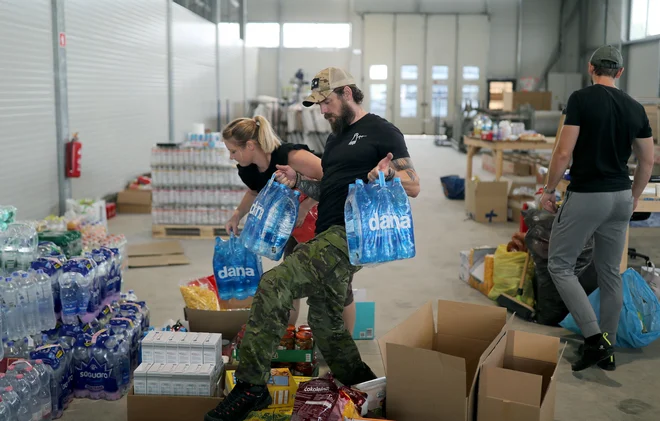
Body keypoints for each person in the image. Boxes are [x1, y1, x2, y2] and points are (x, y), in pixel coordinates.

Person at [205, 67, 420, 421]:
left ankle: (251, 388)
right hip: (326, 231)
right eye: (319, 105)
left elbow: (413, 184)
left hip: (350, 235)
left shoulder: (382, 131)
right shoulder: (335, 141)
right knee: (325, 319)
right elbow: (328, 191)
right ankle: (368, 386)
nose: (323, 111)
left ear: (348, 93)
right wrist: (299, 182)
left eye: (327, 102)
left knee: (275, 283)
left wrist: (388, 173)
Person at [541, 45, 655, 372]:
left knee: (560, 266)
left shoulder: (580, 99)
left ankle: (594, 340)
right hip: (620, 195)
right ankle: (610, 347)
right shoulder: (636, 108)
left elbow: (563, 152)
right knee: (609, 273)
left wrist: (549, 189)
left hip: (589, 194)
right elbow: (647, 159)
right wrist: (634, 196)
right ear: (619, 72)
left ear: (591, 68)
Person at [221, 115, 357, 332]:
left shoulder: (290, 156)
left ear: (250, 145)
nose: (230, 157)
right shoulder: (248, 167)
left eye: (233, 151)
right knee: (290, 281)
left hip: (326, 223)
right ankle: (288, 337)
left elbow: (333, 179)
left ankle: (347, 344)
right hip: (294, 230)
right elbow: (254, 191)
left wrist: (306, 205)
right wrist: (237, 214)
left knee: (339, 287)